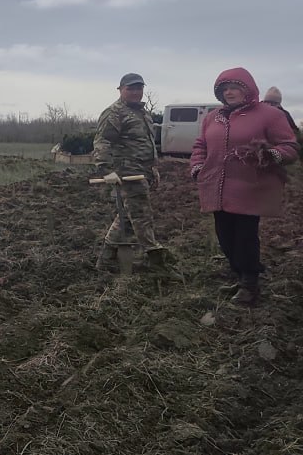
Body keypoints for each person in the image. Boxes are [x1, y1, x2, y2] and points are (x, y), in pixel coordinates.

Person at [190, 68, 298, 306]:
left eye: (234, 88)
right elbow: (200, 145)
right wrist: (198, 166)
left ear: (247, 89)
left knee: (245, 237)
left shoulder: (269, 115)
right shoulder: (213, 117)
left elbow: (290, 146)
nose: (229, 93)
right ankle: (239, 275)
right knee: (225, 236)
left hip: (250, 187)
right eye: (224, 89)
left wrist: (270, 154)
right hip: (217, 186)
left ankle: (250, 285)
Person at [91, 72, 168, 274]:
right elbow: (102, 142)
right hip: (127, 173)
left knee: (127, 215)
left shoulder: (143, 113)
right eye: (130, 88)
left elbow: (147, 144)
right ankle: (155, 260)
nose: (135, 92)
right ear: (121, 90)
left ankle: (106, 258)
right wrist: (106, 170)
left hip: (143, 171)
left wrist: (153, 168)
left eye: (139, 88)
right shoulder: (115, 113)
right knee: (142, 215)